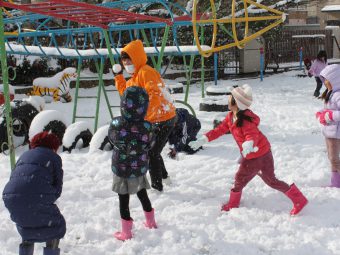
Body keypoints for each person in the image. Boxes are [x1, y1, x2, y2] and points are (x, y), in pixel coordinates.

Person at [189, 84, 308, 215]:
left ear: (237, 103)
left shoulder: (245, 120)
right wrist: (204, 139)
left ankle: (233, 204)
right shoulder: (230, 116)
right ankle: (299, 199)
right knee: (271, 180)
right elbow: (219, 130)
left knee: (240, 179)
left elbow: (252, 134)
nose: (228, 99)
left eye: (230, 98)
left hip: (254, 156)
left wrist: (249, 144)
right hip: (264, 152)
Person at [112, 39, 177, 192]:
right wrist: (118, 77)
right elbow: (126, 95)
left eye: (129, 59)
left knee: (152, 152)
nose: (127, 63)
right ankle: (165, 177)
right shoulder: (133, 78)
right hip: (153, 119)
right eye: (124, 61)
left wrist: (142, 116)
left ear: (137, 58)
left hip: (164, 118)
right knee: (153, 150)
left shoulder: (146, 72)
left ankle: (157, 186)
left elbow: (153, 95)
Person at [2, 131, 65, 255]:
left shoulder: (24, 156)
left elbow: (14, 178)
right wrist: (47, 197)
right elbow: (57, 188)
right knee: (55, 226)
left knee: (28, 225)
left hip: (11, 198)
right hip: (36, 197)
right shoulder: (54, 158)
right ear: (54, 147)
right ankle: (51, 249)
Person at [108, 86, 157, 241]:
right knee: (142, 193)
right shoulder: (148, 127)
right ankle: (150, 222)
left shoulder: (116, 123)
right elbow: (150, 144)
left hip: (120, 168)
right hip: (139, 167)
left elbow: (111, 139)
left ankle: (126, 232)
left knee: (123, 198)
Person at [315, 64, 340, 188]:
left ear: (335, 79)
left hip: (336, 133)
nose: (324, 82)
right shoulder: (331, 93)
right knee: (332, 158)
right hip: (329, 132)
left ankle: (337, 182)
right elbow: (329, 109)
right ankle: (336, 182)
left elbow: (334, 113)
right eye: (323, 79)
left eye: (326, 79)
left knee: (334, 158)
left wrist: (329, 116)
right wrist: (321, 113)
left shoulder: (338, 95)